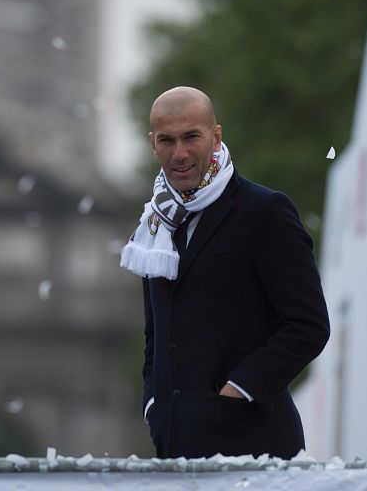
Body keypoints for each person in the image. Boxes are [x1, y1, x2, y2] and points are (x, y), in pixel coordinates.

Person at [120, 86, 330, 459]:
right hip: (175, 450)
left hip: (253, 445)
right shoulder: (153, 226)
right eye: (167, 140)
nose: (179, 153)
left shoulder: (265, 211)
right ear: (153, 143)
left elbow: (308, 325)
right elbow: (156, 335)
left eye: (191, 137)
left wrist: (238, 390)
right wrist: (154, 403)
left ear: (216, 136)